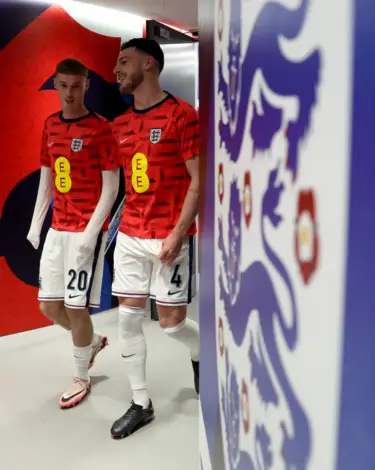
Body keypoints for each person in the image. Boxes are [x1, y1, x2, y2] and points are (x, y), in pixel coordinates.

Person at [109, 38, 201, 439]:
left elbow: (198, 181)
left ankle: (202, 354)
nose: (116, 69)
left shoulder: (183, 115)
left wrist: (179, 233)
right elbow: (125, 185)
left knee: (170, 325)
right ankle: (140, 402)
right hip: (131, 233)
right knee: (127, 318)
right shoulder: (119, 125)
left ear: (150, 65)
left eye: (124, 61)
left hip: (169, 235)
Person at [27, 58, 120, 409]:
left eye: (75, 85)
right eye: (63, 85)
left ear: (86, 86)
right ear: (55, 84)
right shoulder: (50, 126)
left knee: (75, 306)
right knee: (48, 307)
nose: (69, 92)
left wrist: (90, 235)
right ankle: (92, 342)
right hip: (58, 228)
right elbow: (46, 180)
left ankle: (82, 374)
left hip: (87, 229)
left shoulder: (101, 129)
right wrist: (37, 225)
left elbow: (111, 188)